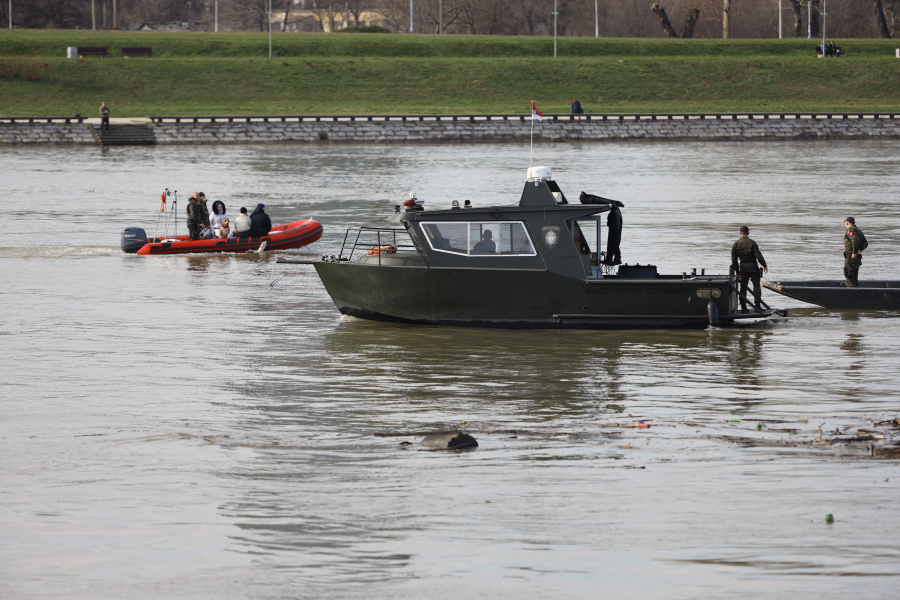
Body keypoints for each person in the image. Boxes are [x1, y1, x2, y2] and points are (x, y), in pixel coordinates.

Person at [731, 225, 769, 312]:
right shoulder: (752, 243)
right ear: (748, 233)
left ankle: (744, 308)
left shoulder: (735, 244)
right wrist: (764, 265)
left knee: (743, 287)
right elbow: (759, 256)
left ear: (740, 233)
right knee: (756, 286)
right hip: (753, 267)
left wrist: (737, 271)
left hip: (743, 268)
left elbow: (734, 260)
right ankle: (757, 306)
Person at [844, 217, 867, 287]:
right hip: (857, 259)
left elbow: (855, 241)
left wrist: (854, 253)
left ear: (847, 223)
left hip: (851, 258)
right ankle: (856, 293)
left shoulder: (850, 230)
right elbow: (865, 243)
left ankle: (851, 295)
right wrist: (858, 250)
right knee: (854, 278)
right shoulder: (859, 231)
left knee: (849, 278)